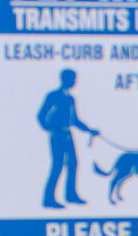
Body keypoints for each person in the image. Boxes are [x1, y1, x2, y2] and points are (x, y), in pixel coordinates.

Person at [38, 68, 98, 209]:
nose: (74, 82)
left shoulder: (70, 98)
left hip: (68, 135)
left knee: (73, 164)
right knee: (57, 166)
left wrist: (89, 130)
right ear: (65, 79)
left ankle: (70, 195)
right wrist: (51, 129)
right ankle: (48, 199)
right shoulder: (53, 96)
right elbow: (41, 115)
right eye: (72, 79)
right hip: (57, 136)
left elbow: (75, 120)